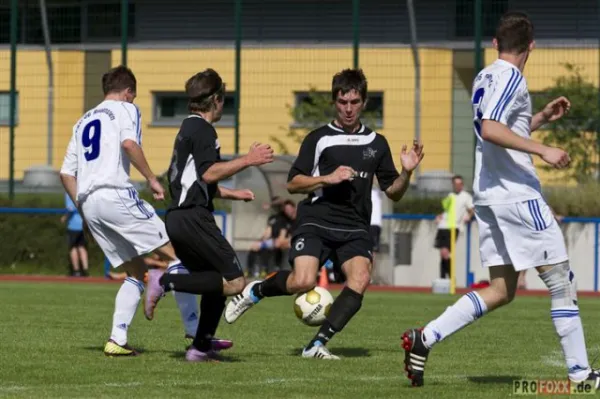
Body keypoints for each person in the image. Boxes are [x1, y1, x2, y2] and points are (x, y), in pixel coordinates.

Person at [401, 11, 600, 389]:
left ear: (494, 43)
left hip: (490, 196)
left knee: (501, 290)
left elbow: (495, 126)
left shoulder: (484, 75)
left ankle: (424, 338)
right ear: (532, 47)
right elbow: (491, 130)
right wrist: (542, 149)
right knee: (561, 280)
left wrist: (539, 116)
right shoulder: (512, 77)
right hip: (517, 195)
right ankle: (581, 375)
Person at [224, 68, 424, 359]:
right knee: (303, 281)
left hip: (355, 226)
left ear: (364, 102)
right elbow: (293, 182)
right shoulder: (319, 139)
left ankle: (316, 345)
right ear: (335, 102)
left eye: (354, 102)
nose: (348, 108)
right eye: (343, 102)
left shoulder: (377, 143)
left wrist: (406, 172)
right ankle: (257, 290)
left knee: (361, 277)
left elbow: (393, 191)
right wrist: (326, 178)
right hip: (316, 220)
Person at [59, 66, 231, 357]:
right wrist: (151, 178)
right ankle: (195, 333)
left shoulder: (82, 121)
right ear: (128, 92)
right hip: (114, 193)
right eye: (135, 96)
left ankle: (117, 339)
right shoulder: (125, 109)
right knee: (181, 255)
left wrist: (84, 211)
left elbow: (66, 173)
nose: (135, 100)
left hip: (88, 201)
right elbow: (129, 143)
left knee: (135, 271)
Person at [143, 68, 274, 362]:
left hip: (179, 217)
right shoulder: (204, 130)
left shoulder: (186, 129)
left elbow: (194, 181)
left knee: (215, 281)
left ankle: (200, 348)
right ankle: (164, 281)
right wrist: (249, 160)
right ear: (215, 99)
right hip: (193, 219)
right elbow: (208, 171)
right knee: (236, 282)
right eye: (224, 99)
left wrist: (231, 194)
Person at [433, 175, 474, 279]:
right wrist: (439, 216)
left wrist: (468, 217)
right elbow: (447, 210)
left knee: (446, 253)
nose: (458, 186)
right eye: (456, 184)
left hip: (454, 227)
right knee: (442, 254)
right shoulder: (450, 195)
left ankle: (451, 279)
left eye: (460, 184)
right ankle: (443, 279)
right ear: (453, 185)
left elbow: (472, 209)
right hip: (443, 226)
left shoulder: (466, 196)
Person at [61, 192, 89, 277]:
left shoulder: (69, 191)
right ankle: (85, 270)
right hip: (83, 224)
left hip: (73, 225)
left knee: (73, 248)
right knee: (82, 247)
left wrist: (65, 218)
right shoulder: (83, 190)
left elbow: (70, 208)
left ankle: (76, 271)